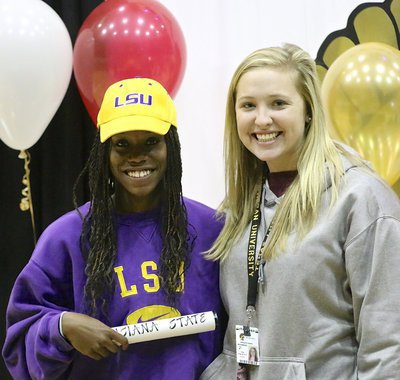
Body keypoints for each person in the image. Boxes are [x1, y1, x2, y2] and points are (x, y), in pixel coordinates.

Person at [3, 78, 225, 379]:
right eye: (122, 144)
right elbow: (19, 344)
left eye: (151, 141)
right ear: (104, 153)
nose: (136, 155)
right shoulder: (66, 237)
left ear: (171, 146)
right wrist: (63, 326)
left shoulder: (212, 230)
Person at [200, 43, 400, 379]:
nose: (262, 119)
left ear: (308, 109)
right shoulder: (240, 205)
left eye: (278, 103)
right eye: (248, 105)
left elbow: (387, 343)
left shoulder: (360, 198)